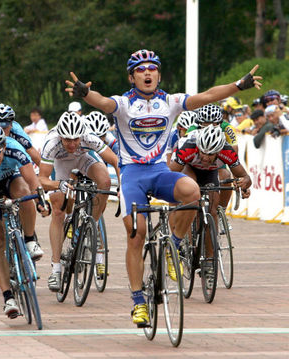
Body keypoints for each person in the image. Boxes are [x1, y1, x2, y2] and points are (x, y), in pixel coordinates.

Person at [65, 49, 262, 327]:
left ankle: (175, 245)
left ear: (158, 74)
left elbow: (207, 96)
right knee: (138, 233)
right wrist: (85, 93)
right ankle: (138, 302)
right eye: (141, 69)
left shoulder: (170, 102)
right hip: (132, 174)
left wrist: (238, 86)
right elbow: (101, 102)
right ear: (132, 77)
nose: (147, 73)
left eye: (152, 68)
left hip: (159, 172)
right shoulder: (123, 104)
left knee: (192, 191)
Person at [0, 120, 50, 318]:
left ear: (4, 146)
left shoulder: (15, 148)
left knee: (23, 193)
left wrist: (41, 202)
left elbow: (33, 184)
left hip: (10, 179)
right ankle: (8, 298)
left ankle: (30, 240)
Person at [38, 111, 120, 291]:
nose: (73, 143)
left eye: (76, 139)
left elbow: (115, 160)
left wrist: (123, 187)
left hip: (83, 159)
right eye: (67, 140)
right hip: (60, 165)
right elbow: (42, 179)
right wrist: (58, 185)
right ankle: (56, 269)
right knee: (59, 212)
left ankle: (92, 223)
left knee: (105, 182)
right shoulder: (51, 143)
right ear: (60, 136)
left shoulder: (88, 137)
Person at [169, 125, 251, 287]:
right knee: (191, 200)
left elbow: (244, 176)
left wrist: (244, 185)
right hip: (189, 169)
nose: (206, 157)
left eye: (211, 154)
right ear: (198, 147)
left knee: (211, 212)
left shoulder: (226, 151)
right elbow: (170, 175)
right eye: (203, 152)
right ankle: (183, 238)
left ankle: (209, 261)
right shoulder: (188, 148)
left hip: (210, 174)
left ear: (219, 151)